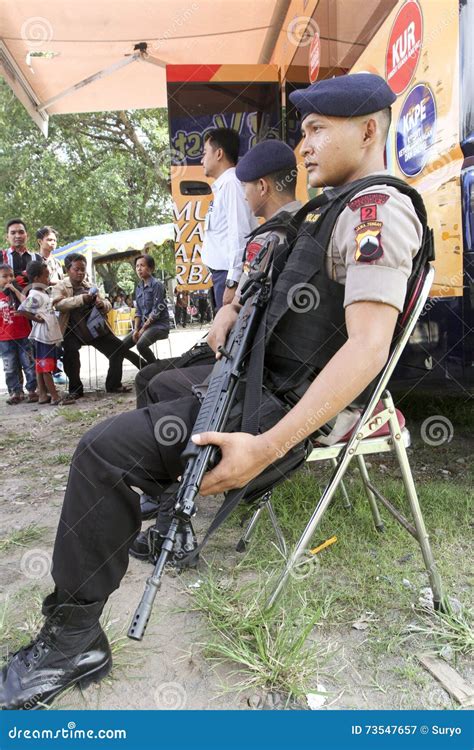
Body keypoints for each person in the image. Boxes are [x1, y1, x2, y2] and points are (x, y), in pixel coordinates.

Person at [0, 73, 429, 710]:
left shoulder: (374, 213)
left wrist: (266, 445)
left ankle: (72, 644)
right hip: (258, 388)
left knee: (102, 453)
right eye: (303, 131)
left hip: (283, 412)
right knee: (144, 403)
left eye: (316, 130)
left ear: (368, 131)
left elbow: (367, 350)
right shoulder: (330, 211)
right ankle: (129, 564)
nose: (302, 147)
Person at [53, 253, 147, 398]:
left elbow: (108, 304)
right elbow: (58, 305)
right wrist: (80, 299)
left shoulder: (90, 285)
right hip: (72, 330)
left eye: (82, 270)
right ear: (67, 269)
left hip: (94, 329)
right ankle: (75, 389)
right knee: (70, 354)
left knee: (118, 349)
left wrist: (102, 304)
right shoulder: (60, 286)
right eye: (76, 269)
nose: (80, 273)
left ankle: (113, 384)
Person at [200, 128, 258, 309]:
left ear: (218, 154)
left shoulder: (231, 184)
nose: (202, 160)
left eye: (204, 153)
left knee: (225, 333)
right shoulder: (224, 186)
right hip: (221, 275)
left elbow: (239, 234)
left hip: (227, 275)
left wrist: (233, 281)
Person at [17, 261, 75, 405]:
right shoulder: (35, 295)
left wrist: (53, 301)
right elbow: (22, 310)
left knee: (41, 365)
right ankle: (55, 396)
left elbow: (44, 307)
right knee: (46, 366)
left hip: (47, 334)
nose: (48, 279)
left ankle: (43, 394)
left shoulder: (40, 292)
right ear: (36, 278)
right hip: (44, 336)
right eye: (46, 276)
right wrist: (35, 317)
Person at [0, 263, 38, 404]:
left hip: (23, 335)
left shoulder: (19, 291)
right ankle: (15, 391)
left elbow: (27, 303)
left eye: (11, 275)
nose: (9, 279)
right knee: (10, 366)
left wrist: (15, 290)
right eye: (4, 276)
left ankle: (33, 390)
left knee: (28, 363)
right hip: (5, 338)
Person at [121, 255, 170, 364]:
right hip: (144, 326)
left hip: (159, 326)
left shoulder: (157, 285)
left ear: (151, 268)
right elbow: (138, 311)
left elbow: (156, 311)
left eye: (142, 265)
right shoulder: (138, 287)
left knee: (141, 345)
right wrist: (136, 329)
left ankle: (155, 369)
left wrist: (142, 329)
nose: (139, 269)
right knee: (121, 347)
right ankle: (144, 367)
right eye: (137, 266)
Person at [2, 219, 41, 289]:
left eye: (21, 232)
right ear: (7, 237)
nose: (18, 236)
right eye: (13, 233)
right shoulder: (1, 256)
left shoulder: (37, 258)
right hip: (6, 298)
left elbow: (42, 280)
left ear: (27, 236)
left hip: (33, 298)